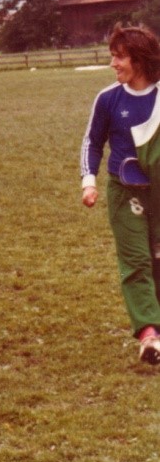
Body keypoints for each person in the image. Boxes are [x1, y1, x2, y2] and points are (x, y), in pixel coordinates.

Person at [80, 23, 160, 364]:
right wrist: (89, 181)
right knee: (136, 261)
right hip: (124, 193)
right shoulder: (108, 99)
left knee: (158, 262)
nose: (113, 63)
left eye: (119, 57)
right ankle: (149, 335)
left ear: (139, 60)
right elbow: (92, 142)